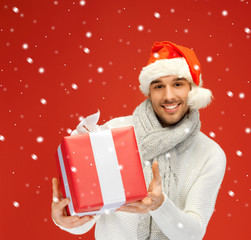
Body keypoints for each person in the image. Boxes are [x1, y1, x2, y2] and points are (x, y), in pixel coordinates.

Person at [51, 41, 226, 240]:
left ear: (192, 89)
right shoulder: (114, 132)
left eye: (178, 84)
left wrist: (160, 205)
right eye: (159, 86)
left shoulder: (210, 154)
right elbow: (86, 219)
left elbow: (192, 235)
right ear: (149, 93)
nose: (168, 96)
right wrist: (66, 218)